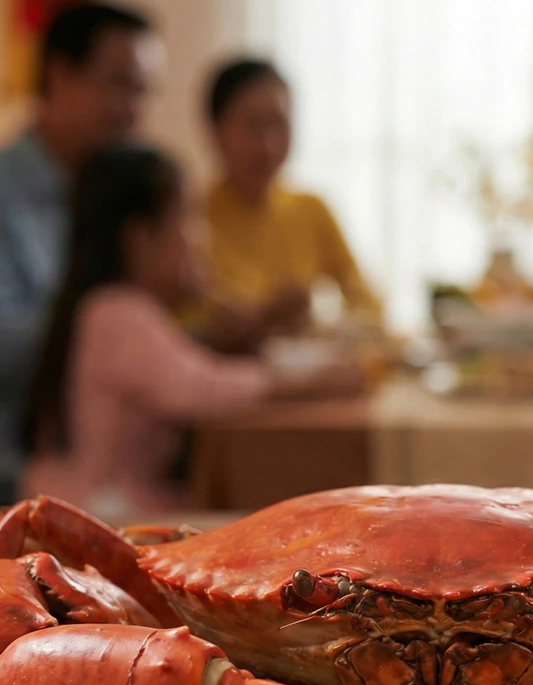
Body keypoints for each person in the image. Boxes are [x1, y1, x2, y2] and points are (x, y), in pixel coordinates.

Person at [24, 146, 359, 516]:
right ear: (139, 239)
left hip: (113, 500)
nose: (201, 238)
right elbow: (205, 387)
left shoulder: (113, 308)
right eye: (185, 218)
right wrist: (309, 381)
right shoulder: (119, 314)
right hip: (112, 512)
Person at [0, 4, 162, 509]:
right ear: (59, 76)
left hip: (85, 461)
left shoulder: (101, 196)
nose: (134, 110)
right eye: (121, 85)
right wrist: (105, 334)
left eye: (144, 91)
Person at [198, 57, 380, 350]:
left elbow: (368, 303)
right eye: (252, 125)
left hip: (311, 381)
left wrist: (321, 311)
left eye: (278, 124)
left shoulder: (311, 209)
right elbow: (184, 323)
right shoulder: (190, 216)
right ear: (215, 130)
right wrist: (263, 316)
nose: (267, 144)